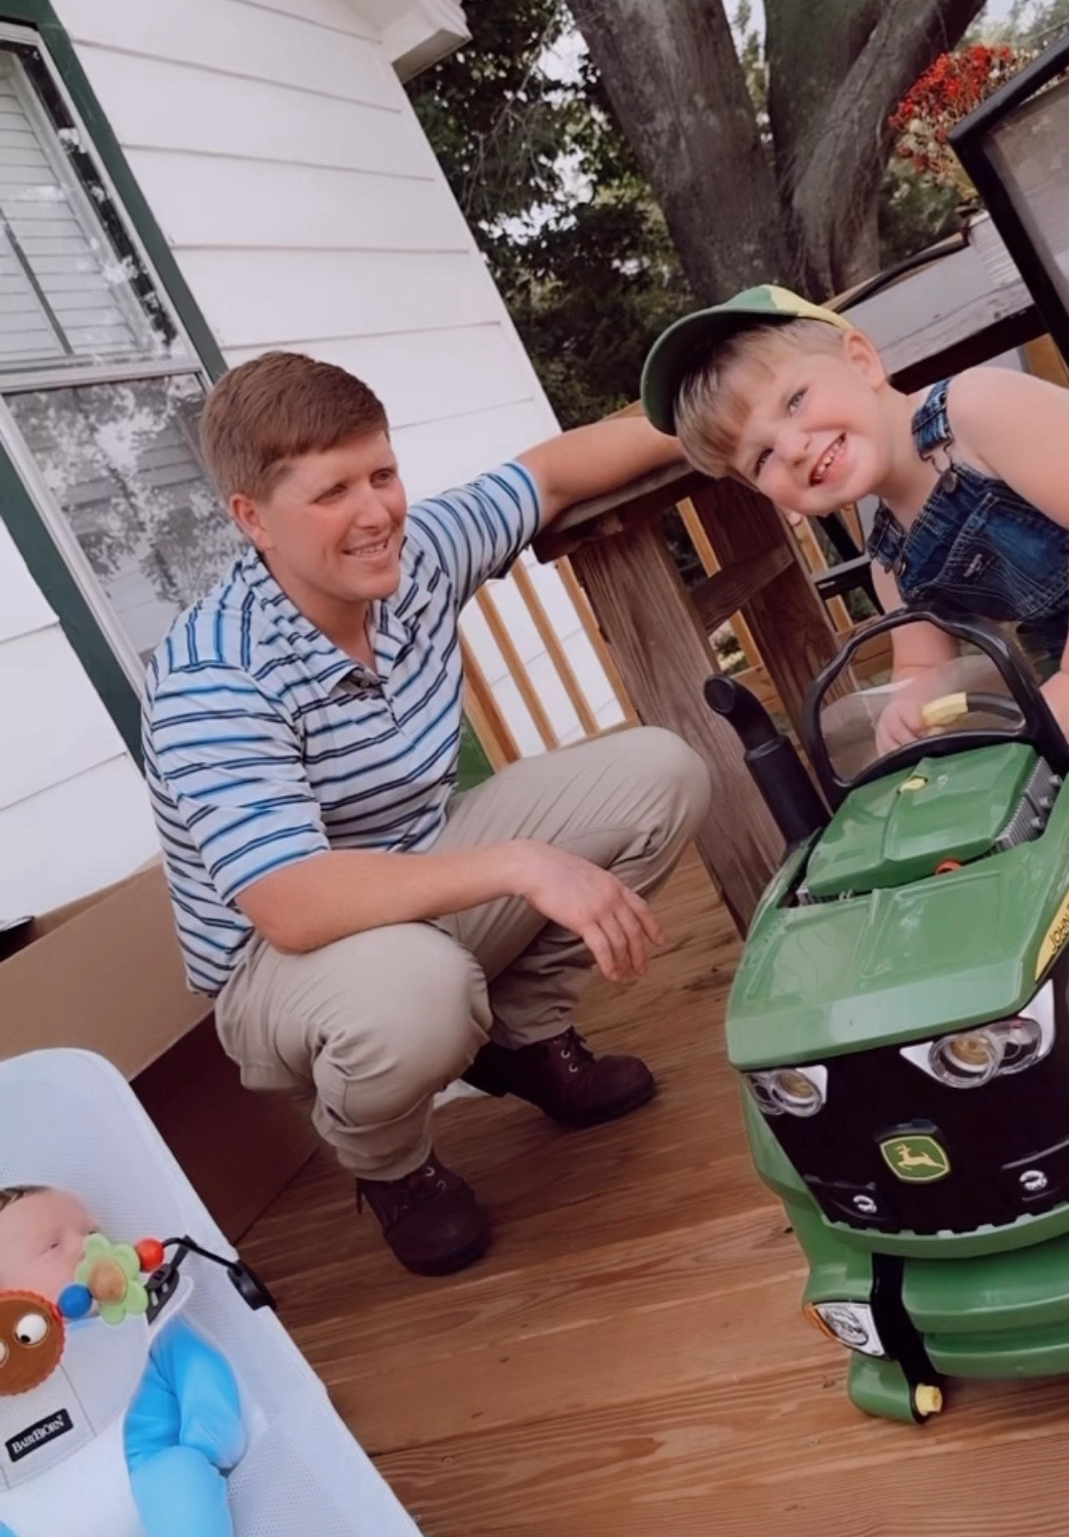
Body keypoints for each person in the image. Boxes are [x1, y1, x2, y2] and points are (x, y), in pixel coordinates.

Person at [143, 353, 710, 1278]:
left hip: (420, 864)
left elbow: (552, 473)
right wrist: (522, 863)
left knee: (662, 771)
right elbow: (291, 902)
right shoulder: (214, 675)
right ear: (252, 517)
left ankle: (526, 1042)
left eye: (382, 473)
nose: (376, 512)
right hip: (286, 960)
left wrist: (726, 410)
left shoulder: (411, 557)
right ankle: (394, 1168)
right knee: (415, 993)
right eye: (332, 492)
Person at [640, 284, 1069, 753]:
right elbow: (928, 662)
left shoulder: (977, 411)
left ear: (861, 361)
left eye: (795, 401)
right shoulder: (893, 560)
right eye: (762, 457)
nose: (793, 448)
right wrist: (909, 708)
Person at [0, 1185, 244, 1537]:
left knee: (182, 1475)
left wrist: (207, 1427)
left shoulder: (134, 1325)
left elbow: (193, 1363)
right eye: (53, 1245)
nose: (89, 1247)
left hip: (140, 1483)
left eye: (92, 1233)